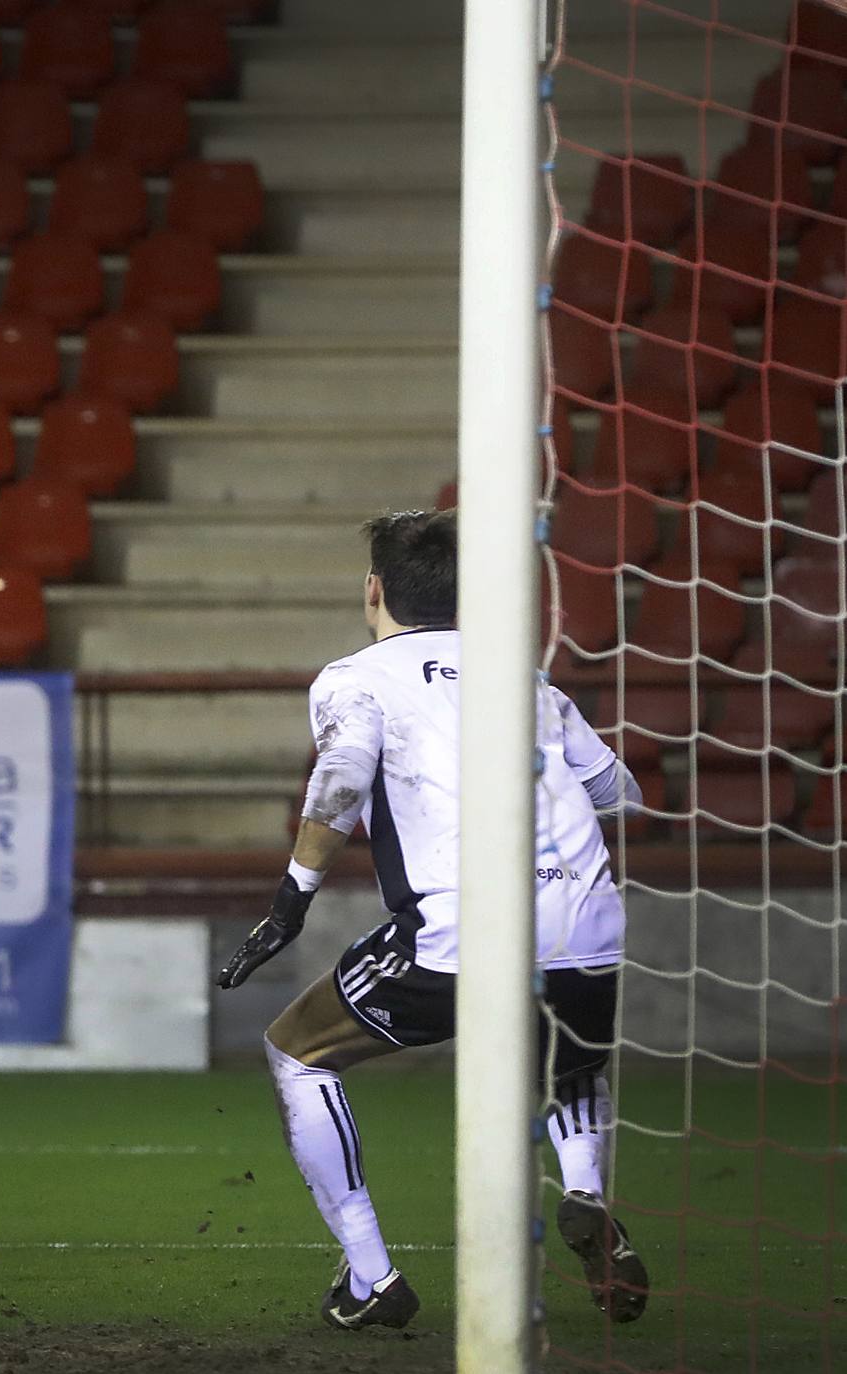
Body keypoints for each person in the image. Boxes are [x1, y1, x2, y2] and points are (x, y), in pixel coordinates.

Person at [216, 509, 650, 1331]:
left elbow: (341, 777)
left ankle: (370, 1277)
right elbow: (616, 792)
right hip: (586, 917)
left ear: (372, 588)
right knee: (563, 1060)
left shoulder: (355, 677)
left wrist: (290, 901)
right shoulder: (521, 678)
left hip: (463, 926)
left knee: (296, 1053)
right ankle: (586, 1193)